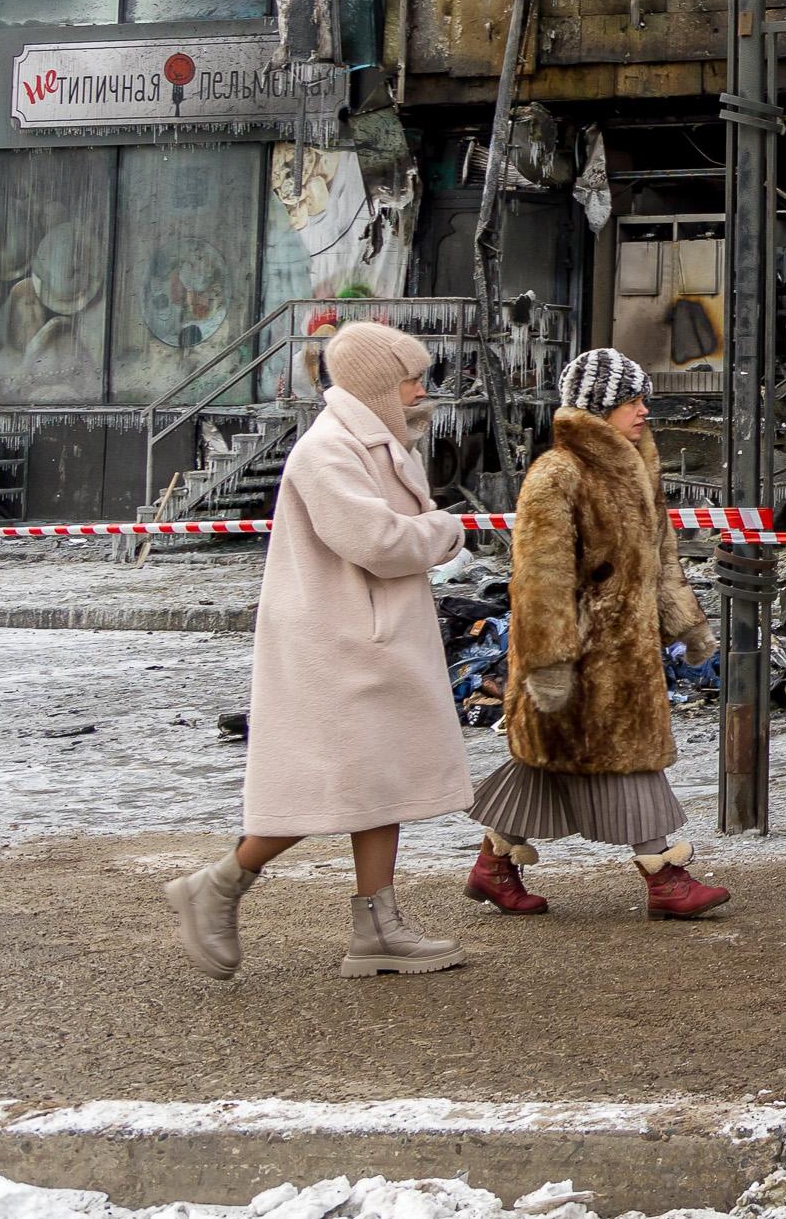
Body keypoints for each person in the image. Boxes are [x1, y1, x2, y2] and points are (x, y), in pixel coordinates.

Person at [164, 321, 474, 979]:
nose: (422, 389)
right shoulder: (328, 450)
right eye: (410, 378)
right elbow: (379, 542)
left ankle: (376, 928)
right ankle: (219, 884)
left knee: (377, 779)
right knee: (328, 784)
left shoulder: (378, 443)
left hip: (368, 639)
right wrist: (446, 531)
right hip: (338, 646)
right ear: (377, 386)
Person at [466, 350, 731, 920]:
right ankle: (666, 877)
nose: (643, 411)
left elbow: (660, 561)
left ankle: (493, 866)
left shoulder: (638, 470)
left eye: (642, 400)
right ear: (597, 408)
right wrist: (548, 664)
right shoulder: (557, 475)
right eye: (631, 401)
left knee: (543, 762)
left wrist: (688, 624)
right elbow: (540, 579)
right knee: (628, 761)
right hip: (582, 656)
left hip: (628, 651)